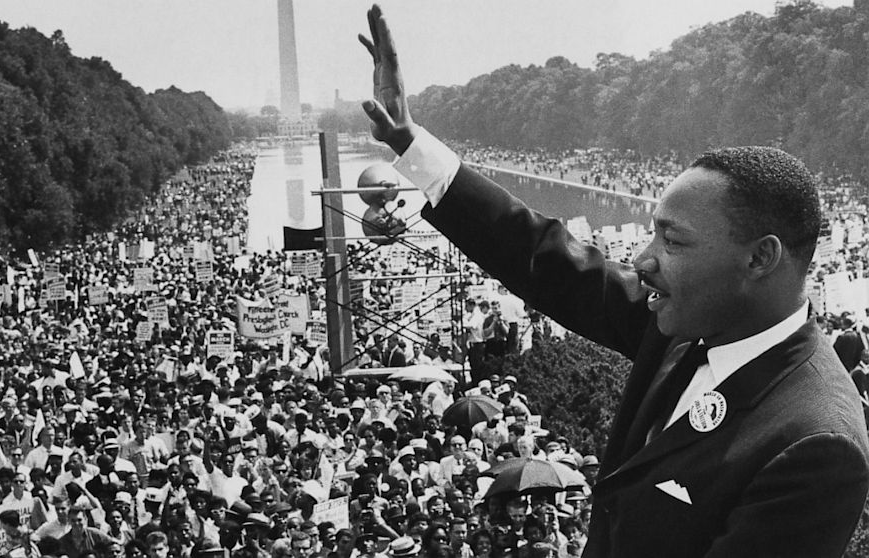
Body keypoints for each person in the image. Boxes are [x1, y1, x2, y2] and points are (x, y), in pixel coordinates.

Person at [358, 5, 869, 557]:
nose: (643, 260)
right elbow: (546, 257)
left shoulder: (816, 440)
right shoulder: (689, 322)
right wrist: (413, 145)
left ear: (759, 258)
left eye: (673, 242)